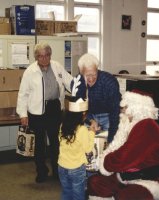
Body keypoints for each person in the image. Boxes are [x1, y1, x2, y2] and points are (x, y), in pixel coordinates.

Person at [87, 90, 159, 200]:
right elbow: (117, 148)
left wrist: (105, 162)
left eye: (125, 107)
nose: (123, 111)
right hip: (126, 175)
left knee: (126, 196)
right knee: (95, 182)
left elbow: (124, 156)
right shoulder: (130, 124)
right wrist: (105, 159)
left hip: (149, 179)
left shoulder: (146, 125)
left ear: (136, 107)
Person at [16, 42, 73, 183]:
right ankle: (41, 172)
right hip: (37, 111)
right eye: (40, 56)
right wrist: (23, 114)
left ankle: (56, 172)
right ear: (36, 57)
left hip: (54, 108)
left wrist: (81, 91)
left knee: (56, 143)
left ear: (50, 55)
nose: (44, 59)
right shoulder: (30, 71)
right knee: (40, 144)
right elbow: (23, 94)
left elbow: (69, 82)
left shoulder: (57, 66)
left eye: (46, 55)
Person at [58, 75, 95, 200]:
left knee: (66, 192)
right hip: (76, 168)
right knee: (78, 195)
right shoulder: (82, 130)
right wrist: (92, 132)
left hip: (62, 166)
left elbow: (60, 140)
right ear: (83, 115)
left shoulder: (63, 125)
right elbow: (88, 148)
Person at [77, 53, 121, 143]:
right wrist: (91, 121)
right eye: (87, 75)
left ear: (97, 69)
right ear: (81, 73)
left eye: (94, 74)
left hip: (109, 116)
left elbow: (115, 112)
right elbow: (80, 110)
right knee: (86, 144)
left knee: (111, 144)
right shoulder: (78, 83)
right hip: (89, 115)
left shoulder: (109, 82)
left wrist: (111, 140)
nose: (91, 79)